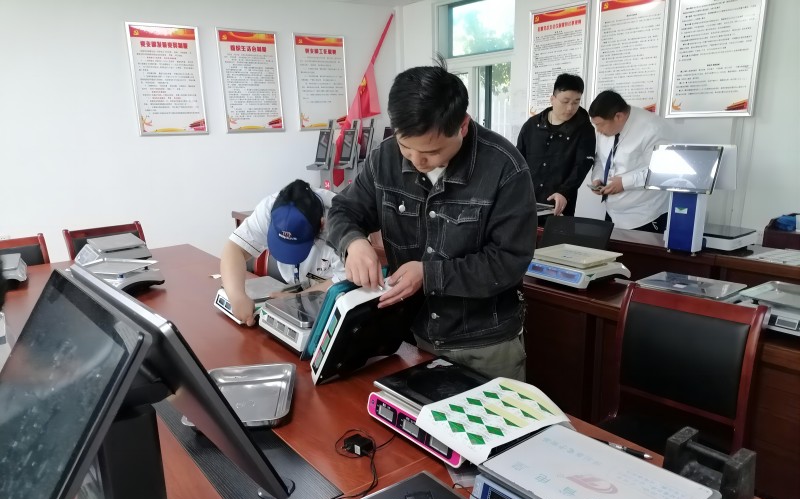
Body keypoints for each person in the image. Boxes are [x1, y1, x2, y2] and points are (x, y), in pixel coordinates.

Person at [326, 60, 537, 381]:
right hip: (413, 336)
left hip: (484, 343)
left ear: (462, 126)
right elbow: (342, 211)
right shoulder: (385, 158)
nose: (417, 161)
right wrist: (353, 243)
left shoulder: (505, 168)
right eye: (406, 147)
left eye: (432, 152)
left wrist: (429, 275)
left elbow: (509, 261)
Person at [220, 179, 345, 326]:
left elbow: (345, 279)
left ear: (321, 226)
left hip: (333, 300)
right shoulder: (268, 210)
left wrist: (296, 298)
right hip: (299, 288)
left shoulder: (342, 222)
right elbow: (234, 248)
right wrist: (237, 297)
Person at [588, 90, 670, 231]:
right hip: (612, 212)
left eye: (600, 125)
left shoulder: (653, 129)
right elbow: (601, 159)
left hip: (645, 215)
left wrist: (625, 183)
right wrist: (598, 178)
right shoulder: (606, 128)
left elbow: (663, 171)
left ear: (618, 116)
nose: (598, 130)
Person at [516, 73, 596, 216]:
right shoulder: (532, 125)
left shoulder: (584, 129)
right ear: (552, 99)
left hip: (560, 204)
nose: (570, 108)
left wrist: (564, 192)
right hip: (528, 201)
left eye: (576, 102)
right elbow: (518, 161)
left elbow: (582, 165)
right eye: (565, 101)